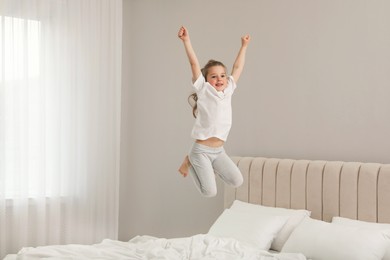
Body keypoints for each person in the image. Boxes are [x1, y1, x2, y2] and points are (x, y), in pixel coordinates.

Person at [177, 26, 250, 197]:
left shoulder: (229, 89)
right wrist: (186, 41)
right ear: (206, 79)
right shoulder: (203, 89)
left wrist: (244, 47)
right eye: (214, 76)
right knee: (209, 192)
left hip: (219, 151)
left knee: (237, 181)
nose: (219, 79)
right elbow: (194, 63)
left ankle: (193, 161)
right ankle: (191, 160)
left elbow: (238, 67)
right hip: (201, 150)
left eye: (223, 75)